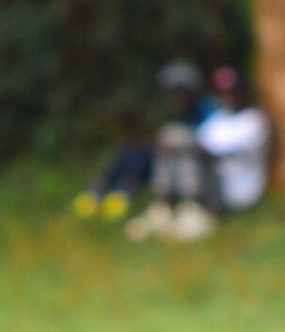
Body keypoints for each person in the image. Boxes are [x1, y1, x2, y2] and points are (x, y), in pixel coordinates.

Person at [72, 61, 204, 222]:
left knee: (140, 155)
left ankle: (122, 192)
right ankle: (100, 191)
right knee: (131, 149)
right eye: (172, 92)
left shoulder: (204, 111)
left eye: (180, 92)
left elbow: (209, 143)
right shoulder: (172, 113)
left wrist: (178, 144)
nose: (175, 97)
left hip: (191, 167)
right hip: (164, 159)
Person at [194, 68, 272, 214]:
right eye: (223, 92)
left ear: (243, 92)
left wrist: (207, 154)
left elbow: (238, 152)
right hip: (215, 188)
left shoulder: (255, 120)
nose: (229, 97)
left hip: (244, 191)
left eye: (233, 91)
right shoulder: (214, 122)